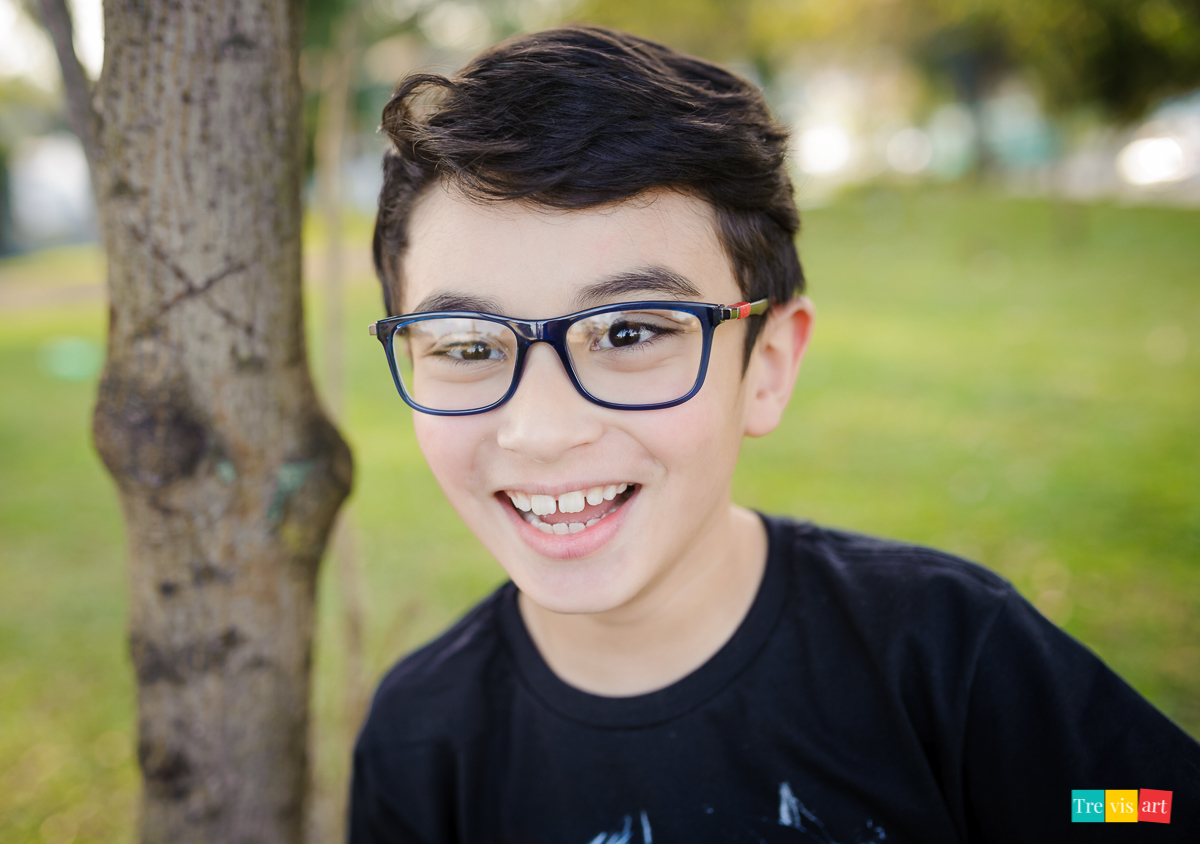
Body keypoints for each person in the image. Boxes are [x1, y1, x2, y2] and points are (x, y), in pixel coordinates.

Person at [350, 24, 1200, 843]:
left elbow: (1149, 807)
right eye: (467, 346)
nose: (540, 429)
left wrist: (1052, 808)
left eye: (629, 333)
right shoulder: (421, 742)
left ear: (768, 366)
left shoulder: (944, 658)